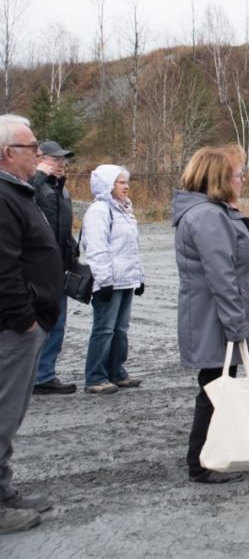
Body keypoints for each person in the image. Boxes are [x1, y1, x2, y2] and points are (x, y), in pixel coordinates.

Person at [173, 146, 249, 484]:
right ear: (220, 178)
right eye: (238, 173)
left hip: (212, 317)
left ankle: (208, 457)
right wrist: (235, 324)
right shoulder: (208, 217)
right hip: (213, 319)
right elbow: (222, 276)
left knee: (216, 385)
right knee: (215, 387)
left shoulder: (210, 213)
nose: (242, 179)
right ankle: (201, 463)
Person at [0, 114, 63, 534]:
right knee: (3, 414)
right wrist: (24, 319)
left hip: (25, 325)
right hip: (13, 329)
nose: (37, 154)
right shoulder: (3, 197)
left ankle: (4, 492)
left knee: (12, 414)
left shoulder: (17, 193)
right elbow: (4, 267)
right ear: (7, 153)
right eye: (31, 148)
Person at [82, 164, 145, 394]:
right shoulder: (99, 210)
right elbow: (97, 248)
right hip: (109, 282)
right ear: (108, 185)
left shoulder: (125, 209)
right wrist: (104, 280)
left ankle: (116, 372)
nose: (126, 186)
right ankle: (95, 376)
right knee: (104, 330)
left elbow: (131, 247)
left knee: (120, 330)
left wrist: (139, 277)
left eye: (126, 182)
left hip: (126, 280)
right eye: (121, 182)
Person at [30, 140, 78, 395]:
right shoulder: (31, 184)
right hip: (37, 269)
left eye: (62, 160)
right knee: (35, 323)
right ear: (39, 159)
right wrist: (39, 175)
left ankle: (45, 374)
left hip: (58, 266)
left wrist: (72, 249)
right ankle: (30, 375)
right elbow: (21, 196)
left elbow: (63, 226)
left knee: (57, 322)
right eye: (54, 159)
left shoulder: (62, 189)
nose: (60, 164)